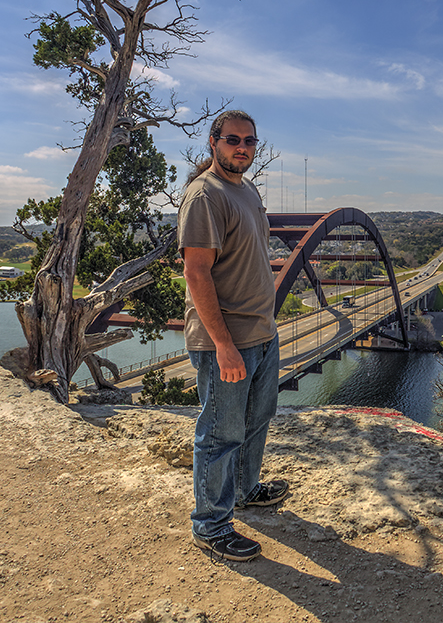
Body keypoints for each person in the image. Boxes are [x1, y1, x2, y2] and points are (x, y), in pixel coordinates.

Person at [178, 110, 289, 562]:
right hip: (227, 340)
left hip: (262, 332)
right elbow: (196, 273)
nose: (240, 147)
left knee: (255, 421)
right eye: (232, 140)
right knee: (221, 434)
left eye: (249, 141)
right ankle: (210, 525)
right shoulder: (205, 195)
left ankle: (245, 491)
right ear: (213, 142)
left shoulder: (246, 189)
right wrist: (223, 344)